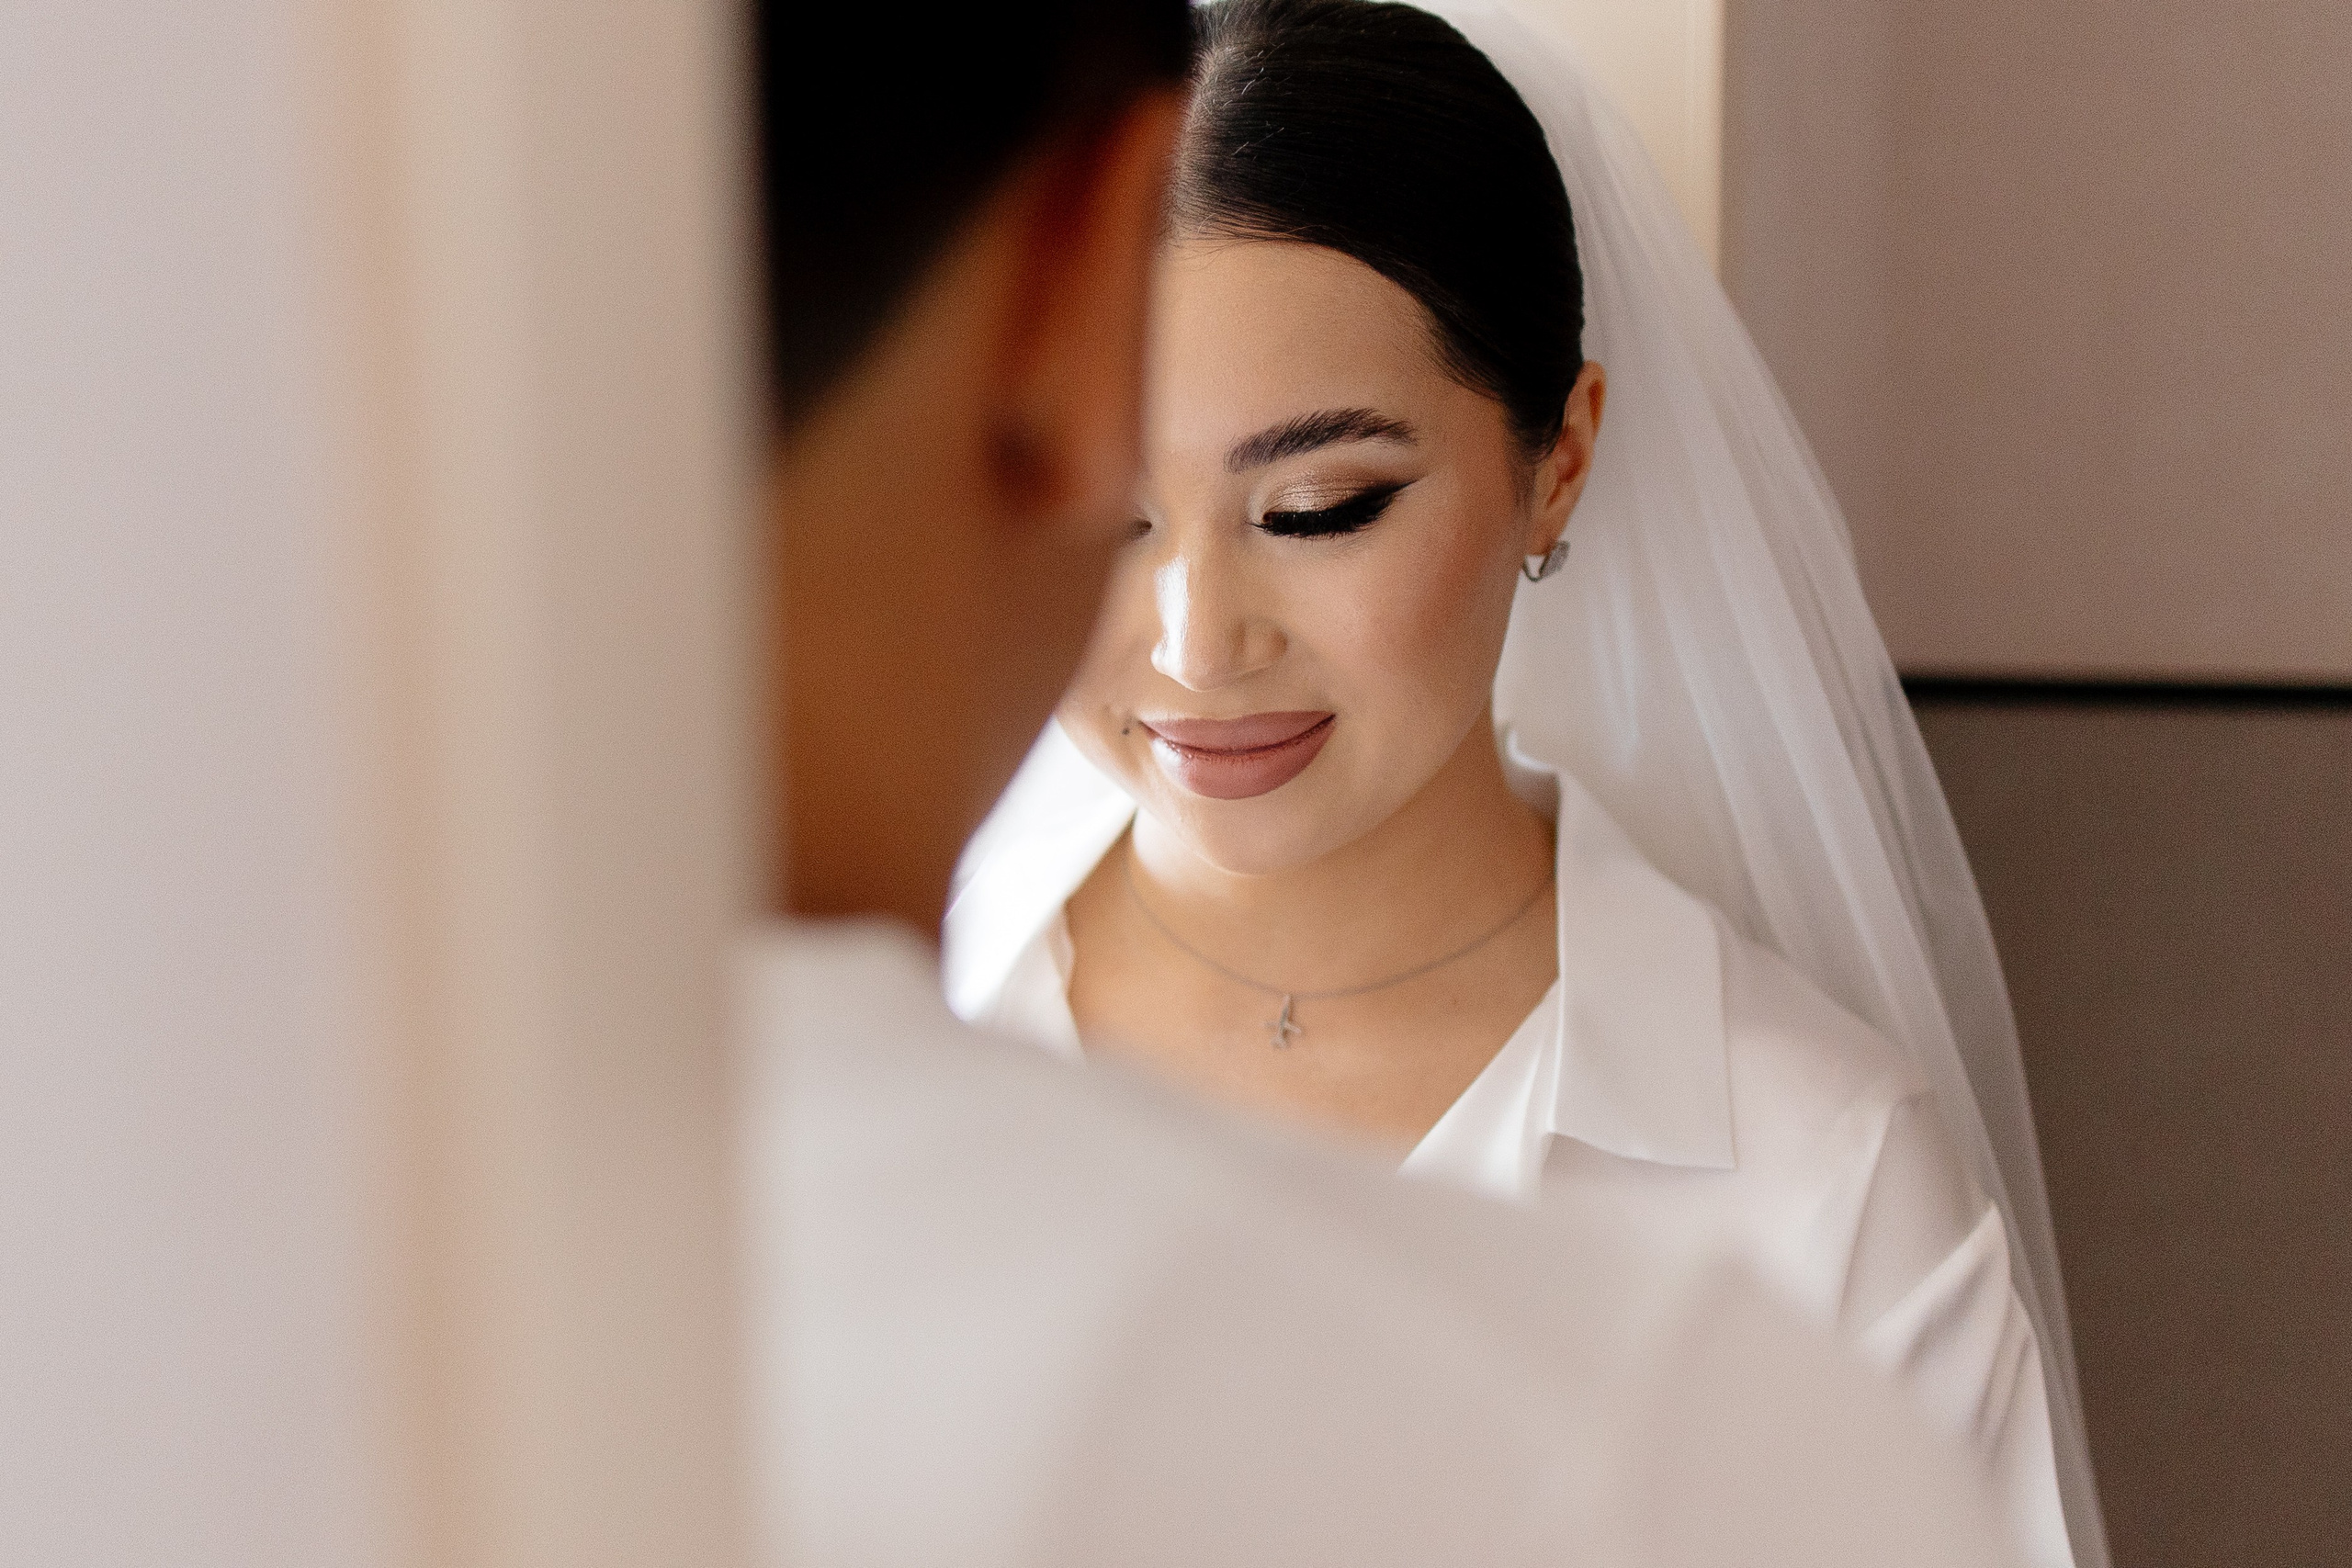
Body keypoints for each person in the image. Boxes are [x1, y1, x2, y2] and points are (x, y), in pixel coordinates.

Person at [752, 0, 2020, 1562]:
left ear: (1558, 461)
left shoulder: (1824, 1183)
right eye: (1119, 517)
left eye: (1320, 507)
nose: (1198, 644)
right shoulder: (813, 1070)